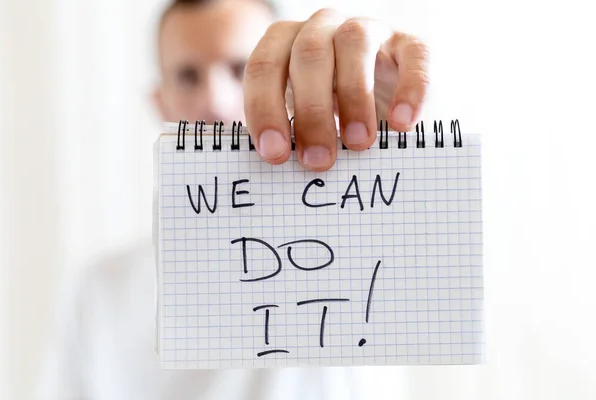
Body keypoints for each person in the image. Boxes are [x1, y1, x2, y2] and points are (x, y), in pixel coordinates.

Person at [36, 0, 429, 398]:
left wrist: (389, 118)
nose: (216, 103)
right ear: (160, 103)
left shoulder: (358, 236)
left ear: (291, 86)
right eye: (188, 76)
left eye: (240, 68)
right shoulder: (99, 291)